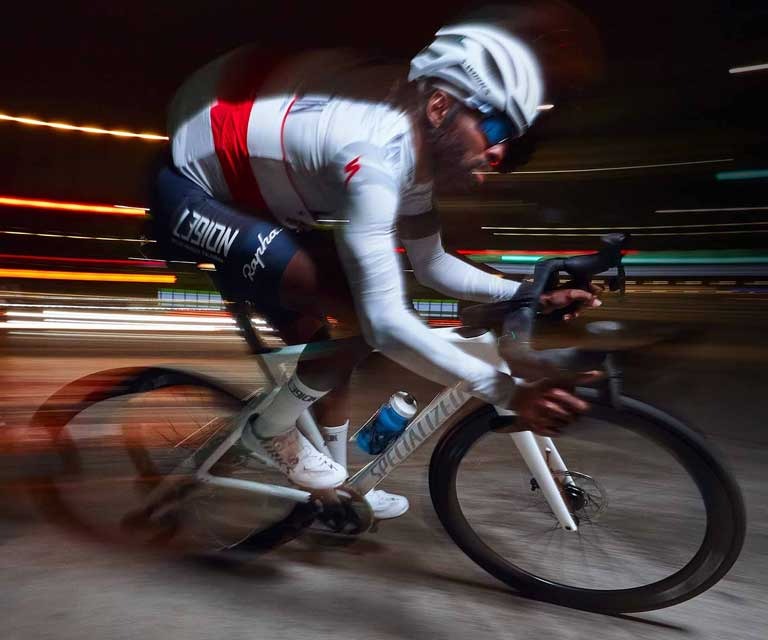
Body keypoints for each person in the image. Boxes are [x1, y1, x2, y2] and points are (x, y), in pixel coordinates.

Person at [149, 22, 601, 520]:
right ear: (439, 107)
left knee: (332, 350)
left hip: (260, 204)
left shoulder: (415, 168)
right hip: (190, 192)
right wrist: (508, 391)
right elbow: (387, 325)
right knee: (364, 322)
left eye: (508, 139)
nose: (498, 152)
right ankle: (269, 431)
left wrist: (526, 294)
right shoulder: (373, 159)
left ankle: (337, 491)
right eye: (493, 129)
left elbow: (433, 267)